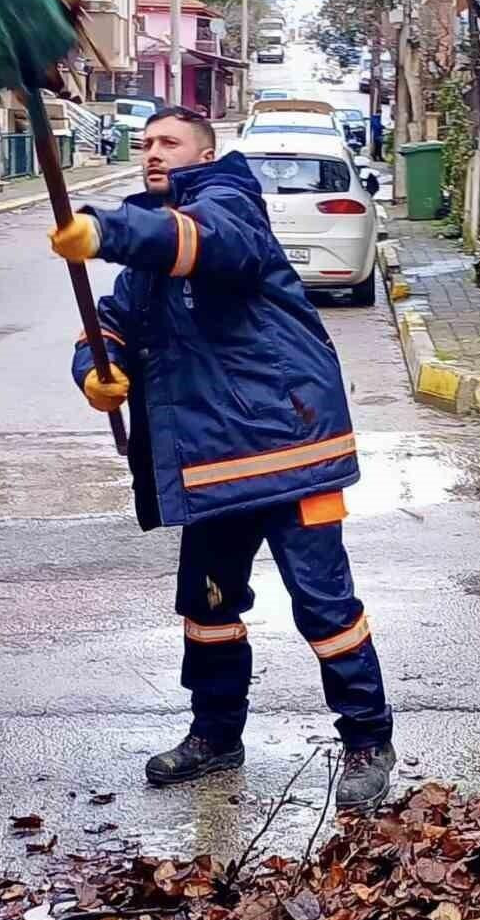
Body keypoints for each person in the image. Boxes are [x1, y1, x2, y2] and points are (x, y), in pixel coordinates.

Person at [48, 106, 396, 810]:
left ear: (204, 153)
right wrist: (98, 365)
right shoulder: (152, 248)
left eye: (168, 143)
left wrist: (109, 231)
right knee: (207, 607)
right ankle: (215, 735)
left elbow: (210, 244)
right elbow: (114, 319)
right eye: (146, 143)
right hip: (213, 464)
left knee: (325, 606)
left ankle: (367, 739)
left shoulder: (228, 204)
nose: (153, 152)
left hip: (292, 450)